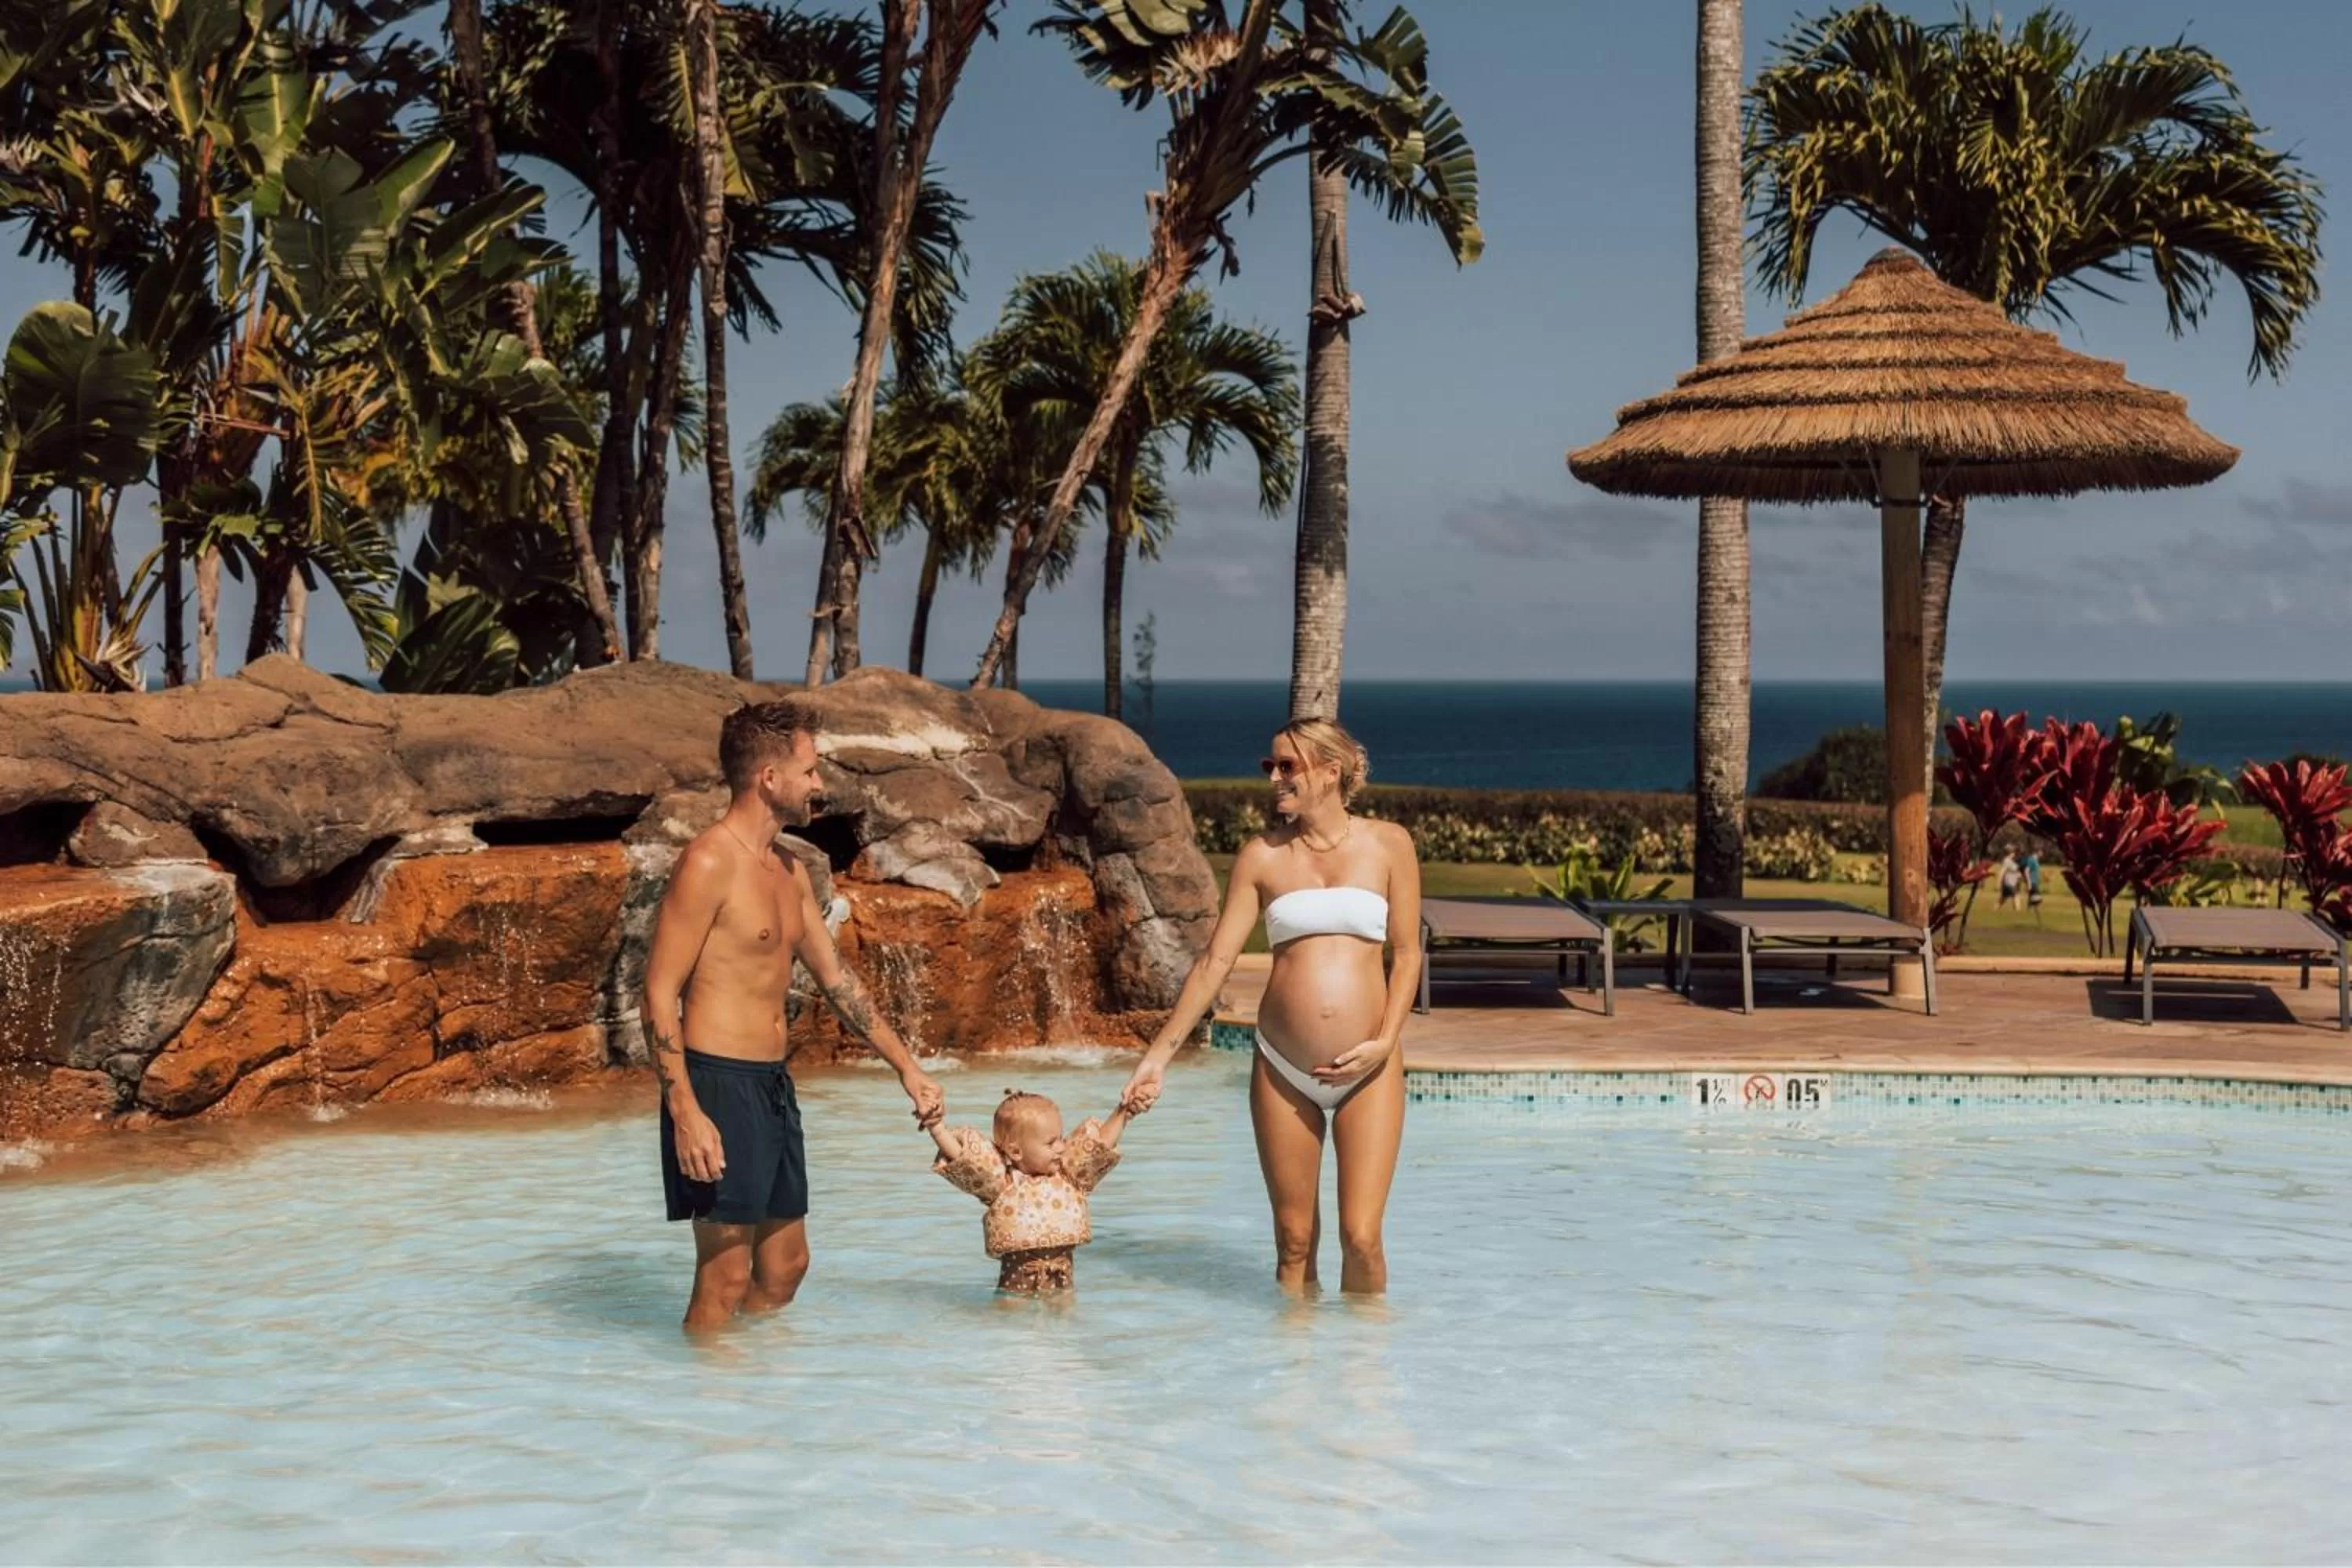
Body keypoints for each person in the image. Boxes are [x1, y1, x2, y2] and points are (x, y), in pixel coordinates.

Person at [642, 698, 945, 1332]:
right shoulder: (707, 862)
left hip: (773, 1088)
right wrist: (686, 1111)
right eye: (809, 770)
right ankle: (705, 1418)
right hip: (718, 1085)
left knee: (785, 1269)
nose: (818, 784)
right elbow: (659, 993)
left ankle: (746, 1390)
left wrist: (907, 1069)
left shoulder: (789, 872)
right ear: (768, 778)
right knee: (723, 1278)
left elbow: (839, 983)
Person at [1121, 717, 1421, 1295]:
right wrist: (1157, 1058)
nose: (1274, 777)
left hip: (1371, 1067)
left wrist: (1385, 1039)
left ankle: (1363, 1375)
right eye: (1271, 766)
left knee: (1361, 1236)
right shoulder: (1261, 857)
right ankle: (1296, 1378)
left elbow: (1408, 955)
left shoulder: (1390, 845)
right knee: (1293, 1240)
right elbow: (1214, 963)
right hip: (1283, 1068)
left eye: (1288, 766)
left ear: (1331, 773)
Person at [928, 1087, 1134, 1292]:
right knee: (1013, 1323)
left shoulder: (1069, 1177)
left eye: (1061, 1139)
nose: (1061, 1148)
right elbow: (963, 1158)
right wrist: (937, 1127)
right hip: (1016, 1288)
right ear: (1016, 1151)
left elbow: (1099, 1146)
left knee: (1065, 1323)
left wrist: (1123, 1111)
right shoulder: (1003, 1184)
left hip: (1063, 1285)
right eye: (1051, 1143)